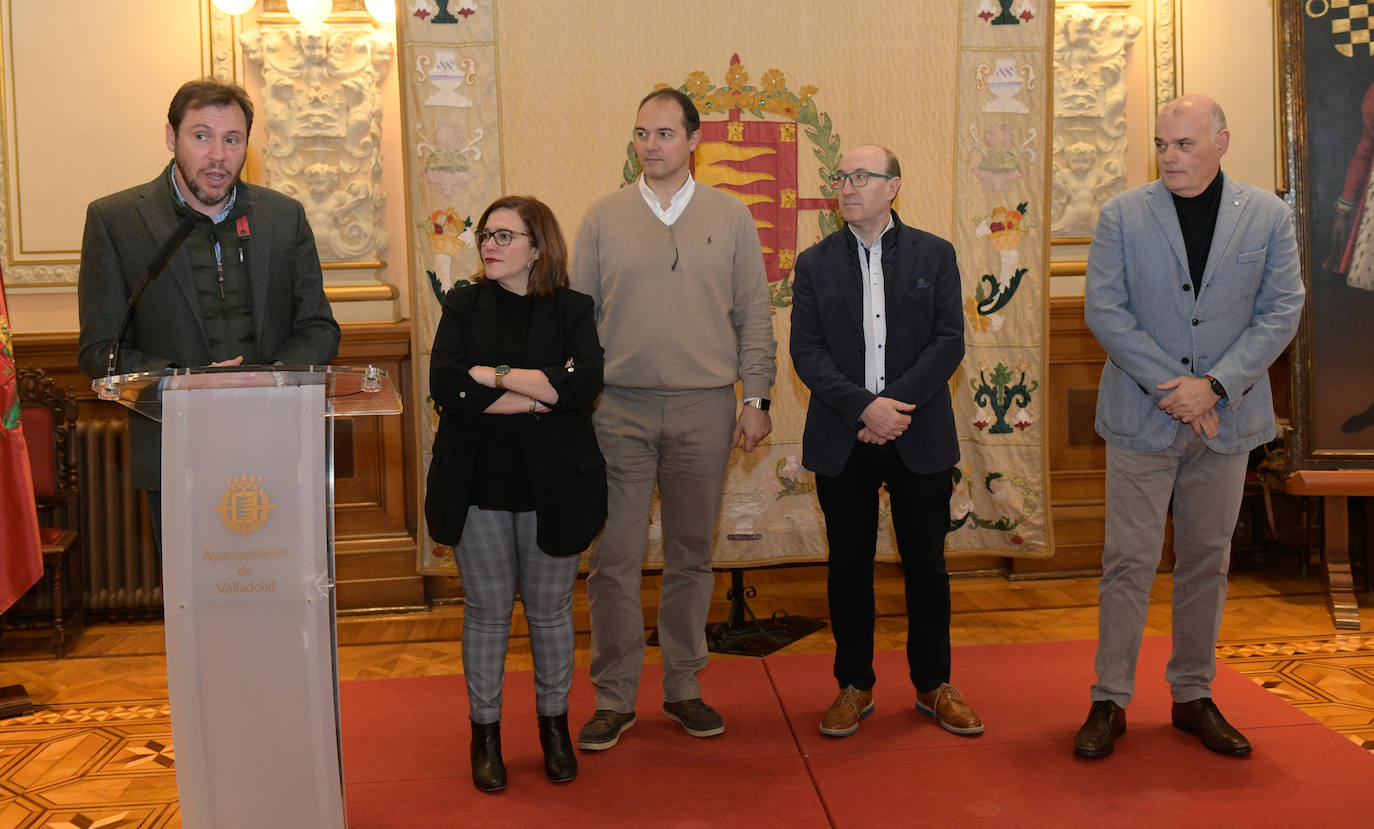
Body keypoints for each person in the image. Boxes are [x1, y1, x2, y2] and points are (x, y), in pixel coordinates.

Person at [1077, 95, 1304, 758]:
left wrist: (1216, 386)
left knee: (1207, 557)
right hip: (1142, 416)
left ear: (1221, 142)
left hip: (1226, 419)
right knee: (1129, 560)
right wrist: (1177, 389)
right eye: (1162, 144)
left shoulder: (1267, 213)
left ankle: (1192, 694)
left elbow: (1281, 310)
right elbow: (1105, 310)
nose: (1170, 156)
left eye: (1184, 144)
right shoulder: (1123, 213)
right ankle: (1109, 698)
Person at [570, 88, 777, 750]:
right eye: (640, 133)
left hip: (705, 409)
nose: (649, 144)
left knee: (691, 554)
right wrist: (576, 403)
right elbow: (577, 321)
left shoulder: (732, 216)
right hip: (618, 411)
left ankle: (684, 685)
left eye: (663, 133)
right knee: (614, 557)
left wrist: (756, 397)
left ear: (694, 141)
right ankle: (613, 696)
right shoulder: (602, 219)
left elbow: (754, 314)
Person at [76, 78, 340, 541]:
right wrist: (185, 383)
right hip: (175, 450)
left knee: (279, 601)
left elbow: (318, 327)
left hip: (277, 443)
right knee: (194, 606)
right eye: (201, 136)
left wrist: (270, 376)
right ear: (171, 136)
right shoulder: (116, 220)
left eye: (232, 140)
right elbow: (101, 350)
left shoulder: (283, 217)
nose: (218, 154)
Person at [790, 144, 983, 739]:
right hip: (843, 435)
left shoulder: (935, 253)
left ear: (893, 186)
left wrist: (894, 406)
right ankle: (854, 686)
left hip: (917, 433)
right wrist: (863, 408)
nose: (847, 187)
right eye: (841, 177)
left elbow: (949, 340)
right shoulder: (815, 263)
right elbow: (807, 352)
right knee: (848, 566)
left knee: (927, 564)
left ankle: (933, 685)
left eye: (862, 177)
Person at [426, 196, 607, 792]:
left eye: (505, 235)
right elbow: (447, 386)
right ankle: (485, 735)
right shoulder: (463, 302)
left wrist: (495, 376)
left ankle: (554, 728)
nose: (490, 245)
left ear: (538, 246)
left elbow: (584, 387)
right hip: (477, 483)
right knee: (486, 614)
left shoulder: (573, 308)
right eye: (486, 235)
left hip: (553, 484)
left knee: (552, 613)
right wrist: (539, 394)